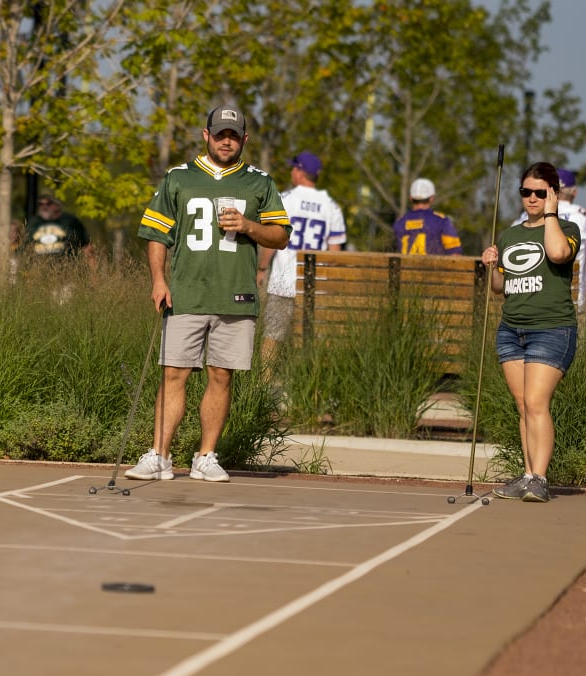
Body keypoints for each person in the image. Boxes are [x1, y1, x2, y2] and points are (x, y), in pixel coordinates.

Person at [125, 104, 291, 483]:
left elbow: (280, 235)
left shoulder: (259, 182)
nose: (226, 141)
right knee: (173, 373)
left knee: (222, 375)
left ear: (244, 139)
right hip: (185, 293)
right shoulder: (179, 178)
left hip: (235, 295)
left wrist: (249, 225)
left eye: (233, 135)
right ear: (206, 135)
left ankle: (206, 456)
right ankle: (159, 455)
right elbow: (155, 234)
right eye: (220, 134)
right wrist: (158, 280)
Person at [481, 161, 581, 503]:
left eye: (540, 193)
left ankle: (540, 478)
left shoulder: (566, 228)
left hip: (552, 329)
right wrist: (492, 266)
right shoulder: (510, 235)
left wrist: (551, 215)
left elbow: (557, 253)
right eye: (526, 192)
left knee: (538, 402)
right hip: (512, 330)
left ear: (552, 193)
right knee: (524, 405)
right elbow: (500, 287)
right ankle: (527, 475)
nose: (532, 199)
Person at [258, 151, 346, 367]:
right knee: (309, 341)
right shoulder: (332, 206)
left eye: (293, 168)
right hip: (314, 287)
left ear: (299, 172)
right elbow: (334, 254)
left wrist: (261, 267)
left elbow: (272, 239)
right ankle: (302, 384)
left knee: (273, 336)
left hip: (283, 281)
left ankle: (264, 384)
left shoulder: (285, 199)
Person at [513, 168, 586, 310]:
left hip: (532, 298)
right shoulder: (582, 216)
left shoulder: (530, 214)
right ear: (574, 192)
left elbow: (510, 236)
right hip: (573, 299)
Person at [22, 193, 98, 272]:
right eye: (40, 204)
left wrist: (94, 275)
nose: (44, 206)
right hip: (38, 274)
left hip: (67, 273)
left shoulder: (70, 221)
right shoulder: (33, 223)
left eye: (48, 203)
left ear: (57, 205)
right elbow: (24, 250)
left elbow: (87, 248)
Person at [394, 178, 462, 255]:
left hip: (405, 267)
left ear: (410, 198)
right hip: (432, 267)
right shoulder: (441, 221)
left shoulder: (399, 223)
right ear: (431, 198)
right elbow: (455, 253)